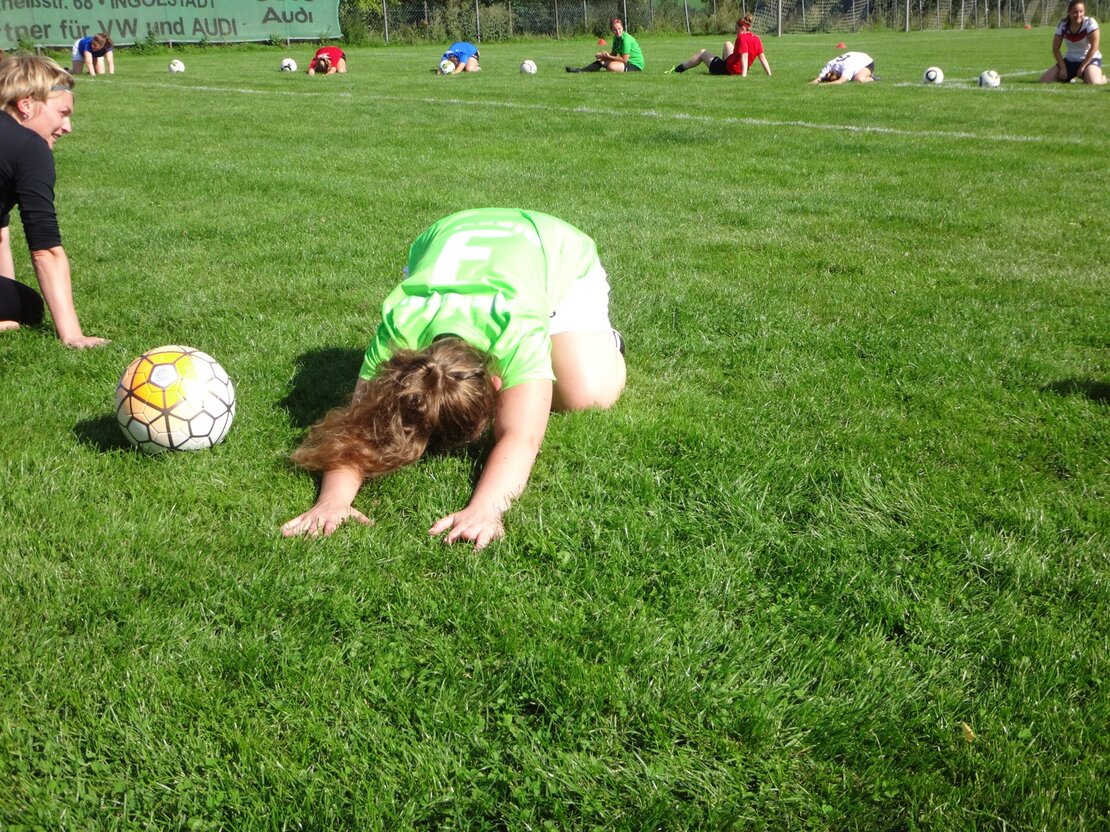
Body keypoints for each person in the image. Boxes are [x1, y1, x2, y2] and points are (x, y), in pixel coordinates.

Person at [281, 208, 627, 549]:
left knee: (586, 393)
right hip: (449, 233)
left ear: (498, 384)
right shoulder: (400, 327)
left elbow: (522, 436)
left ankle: (605, 341)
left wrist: (486, 509)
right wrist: (333, 501)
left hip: (553, 245)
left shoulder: (514, 328)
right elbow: (358, 423)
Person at [1, 55, 107, 347]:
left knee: (14, 301)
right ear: (26, 105)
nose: (67, 127)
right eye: (62, 113)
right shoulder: (29, 147)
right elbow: (45, 250)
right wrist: (73, 335)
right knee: (30, 306)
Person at [667, 15, 771, 76]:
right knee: (727, 44)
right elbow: (763, 58)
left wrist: (743, 77)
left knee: (702, 52)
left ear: (742, 28)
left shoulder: (742, 38)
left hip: (730, 70)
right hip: (737, 67)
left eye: (737, 29)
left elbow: (744, 57)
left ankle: (678, 69)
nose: (736, 32)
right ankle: (721, 64)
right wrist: (769, 75)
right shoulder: (756, 38)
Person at [1040, 0, 1106, 84]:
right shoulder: (1063, 24)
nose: (1079, 15)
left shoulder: (1090, 23)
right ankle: (1071, 77)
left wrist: (1082, 67)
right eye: (1075, 12)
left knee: (1093, 82)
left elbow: (1094, 47)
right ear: (1069, 13)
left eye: (1081, 11)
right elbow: (1055, 48)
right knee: (1045, 80)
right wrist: (1063, 68)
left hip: (1089, 59)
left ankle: (1104, 78)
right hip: (1070, 60)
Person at [566, 17, 644, 73]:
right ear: (611, 30)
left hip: (635, 65)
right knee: (601, 61)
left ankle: (582, 71)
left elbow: (624, 60)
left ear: (622, 28)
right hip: (626, 63)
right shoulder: (616, 38)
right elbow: (613, 54)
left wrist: (607, 57)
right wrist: (604, 56)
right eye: (615, 30)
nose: (617, 31)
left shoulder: (626, 39)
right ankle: (581, 71)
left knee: (611, 66)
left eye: (619, 29)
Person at [811, 51, 875, 84]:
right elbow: (818, 79)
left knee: (859, 79)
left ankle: (872, 78)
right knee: (853, 77)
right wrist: (812, 83)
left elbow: (841, 81)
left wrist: (823, 85)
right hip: (854, 56)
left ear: (838, 75)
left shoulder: (846, 67)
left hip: (866, 61)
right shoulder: (830, 64)